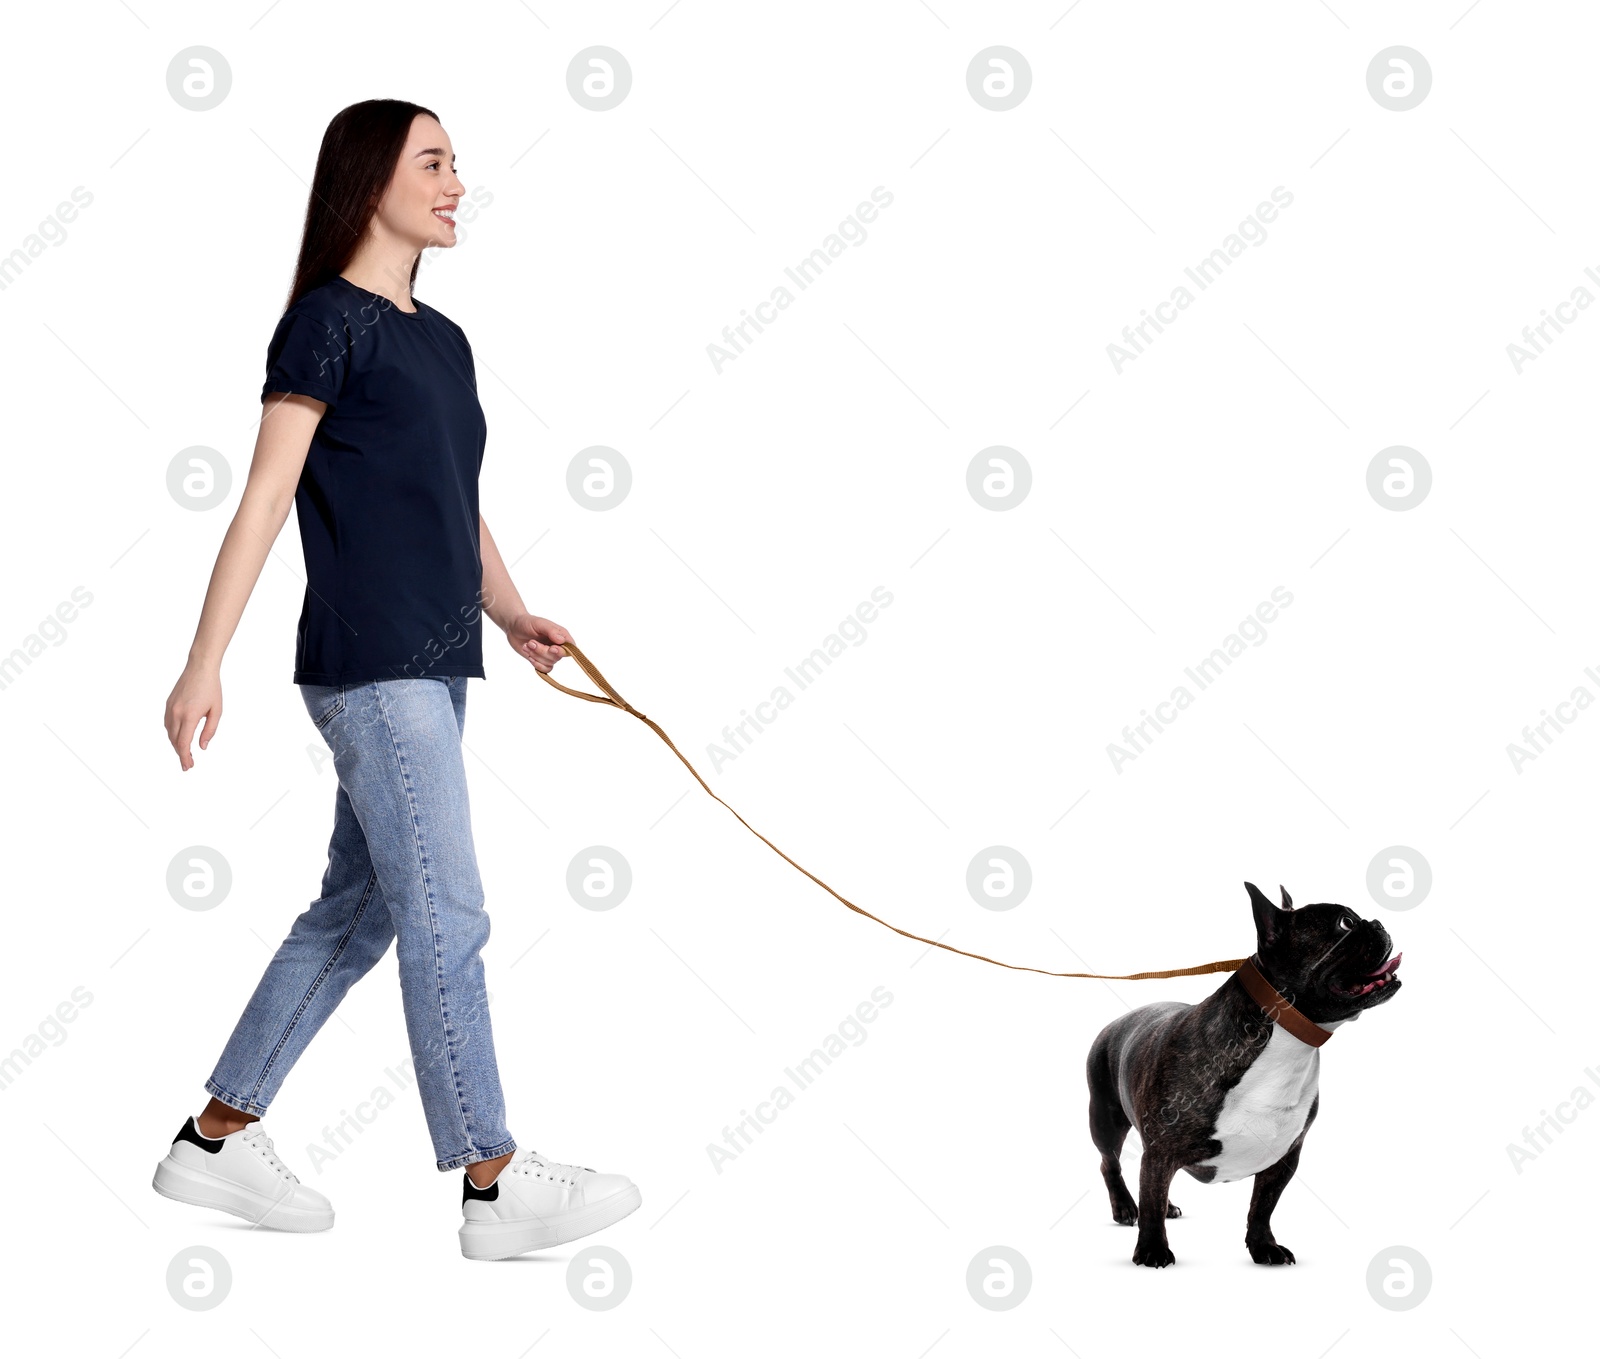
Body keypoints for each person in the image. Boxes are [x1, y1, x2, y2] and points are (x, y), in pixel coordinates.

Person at [153, 99, 640, 1261]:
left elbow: (449, 497)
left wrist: (511, 610)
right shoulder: (326, 325)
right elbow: (267, 494)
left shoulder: (442, 337)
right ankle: (492, 1180)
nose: (458, 182)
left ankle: (213, 1142)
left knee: (356, 914)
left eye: (458, 163)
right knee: (449, 912)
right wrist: (202, 657)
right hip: (370, 664)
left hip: (437, 662)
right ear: (370, 180)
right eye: (435, 163)